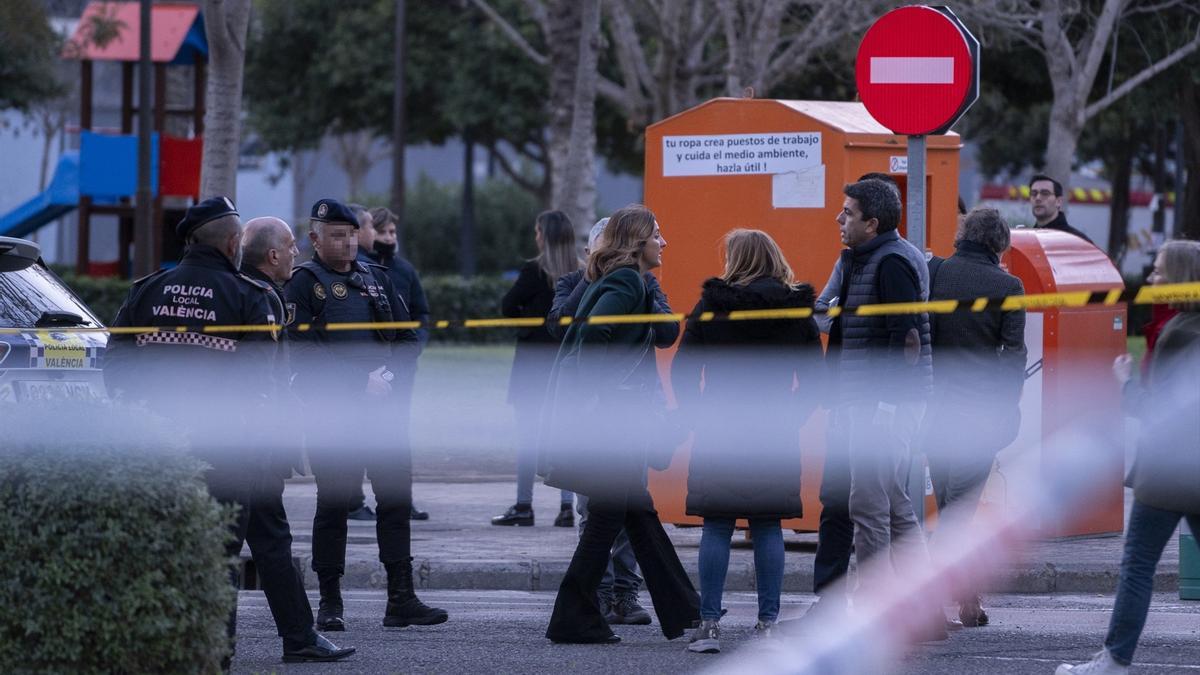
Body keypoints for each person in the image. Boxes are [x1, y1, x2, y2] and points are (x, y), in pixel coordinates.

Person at [104, 198, 354, 664]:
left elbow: (115, 366)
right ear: (234, 242)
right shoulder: (250, 295)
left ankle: (297, 635)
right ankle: (215, 651)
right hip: (237, 448)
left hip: (162, 443)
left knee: (267, 535)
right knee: (226, 547)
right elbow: (262, 384)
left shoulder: (147, 290)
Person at [284, 198, 447, 632]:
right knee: (334, 505)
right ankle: (330, 601)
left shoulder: (376, 278)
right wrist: (360, 384)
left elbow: (407, 334)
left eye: (353, 233)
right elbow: (299, 355)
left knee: (395, 502)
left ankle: (401, 598)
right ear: (315, 239)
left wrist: (390, 376)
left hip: (383, 411)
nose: (349, 242)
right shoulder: (303, 283)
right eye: (337, 235)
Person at [542, 204, 700, 644]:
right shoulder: (628, 280)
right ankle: (574, 617)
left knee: (632, 515)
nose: (663, 242)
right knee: (612, 519)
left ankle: (685, 610)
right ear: (636, 242)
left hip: (615, 424)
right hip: (614, 425)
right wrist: (603, 397)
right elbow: (594, 336)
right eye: (657, 235)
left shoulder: (628, 281)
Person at [672, 229, 824, 653]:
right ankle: (768, 626)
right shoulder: (797, 312)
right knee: (768, 524)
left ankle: (710, 626)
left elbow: (684, 371)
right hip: (775, 432)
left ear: (736, 260)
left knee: (717, 524)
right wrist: (791, 418)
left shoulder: (712, 307)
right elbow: (814, 380)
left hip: (719, 430)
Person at [1057, 240, 1200, 675]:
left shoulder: (1179, 333)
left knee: (1137, 565)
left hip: (1166, 471)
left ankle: (1114, 660)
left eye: (1158, 271)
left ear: (1178, 277)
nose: (1151, 279)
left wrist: (1123, 382)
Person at [813, 179, 944, 638]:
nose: (839, 219)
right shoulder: (861, 258)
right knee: (893, 504)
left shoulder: (892, 263)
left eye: (847, 213)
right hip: (866, 400)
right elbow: (827, 314)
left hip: (883, 403)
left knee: (868, 506)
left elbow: (905, 337)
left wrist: (888, 404)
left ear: (873, 223)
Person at [922, 208, 1027, 627]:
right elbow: (1014, 353)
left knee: (949, 501)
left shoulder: (934, 272)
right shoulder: (1009, 285)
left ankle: (965, 596)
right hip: (980, 413)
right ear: (999, 244)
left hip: (934, 409)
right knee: (960, 509)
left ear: (964, 234)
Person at [492, 210, 578, 527]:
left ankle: (524, 505)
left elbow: (507, 306)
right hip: (566, 365)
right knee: (565, 436)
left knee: (528, 437)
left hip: (531, 365)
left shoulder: (534, 271)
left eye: (538, 231)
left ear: (545, 236)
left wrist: (527, 328)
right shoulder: (581, 274)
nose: (535, 237)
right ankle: (567, 507)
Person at [368, 205, 432, 521]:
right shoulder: (360, 270)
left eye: (393, 232)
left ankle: (402, 501)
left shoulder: (405, 271)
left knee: (399, 435)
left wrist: (415, 345)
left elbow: (421, 314)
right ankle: (354, 499)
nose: (390, 238)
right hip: (368, 371)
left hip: (402, 369)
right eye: (384, 232)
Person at [1029, 174, 1094, 244]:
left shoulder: (1078, 241)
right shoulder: (1027, 239)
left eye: (1045, 193)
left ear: (1058, 201)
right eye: (1033, 193)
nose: (1038, 198)